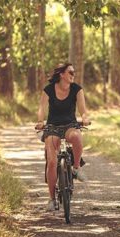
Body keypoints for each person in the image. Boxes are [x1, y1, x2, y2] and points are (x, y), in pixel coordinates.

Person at [35, 63, 90, 211]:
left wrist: (85, 118)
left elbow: (83, 109)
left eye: (74, 72)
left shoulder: (77, 89)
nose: (73, 74)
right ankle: (52, 199)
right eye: (70, 72)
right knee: (52, 162)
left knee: (77, 137)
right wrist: (40, 121)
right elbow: (42, 108)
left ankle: (76, 168)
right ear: (62, 74)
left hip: (70, 126)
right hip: (52, 128)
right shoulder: (48, 90)